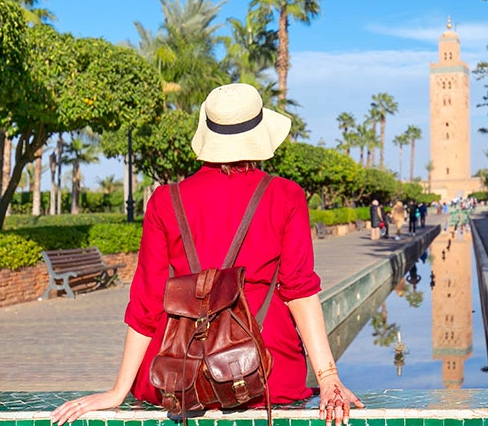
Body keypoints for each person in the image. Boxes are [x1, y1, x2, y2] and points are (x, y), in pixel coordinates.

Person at [50, 84, 362, 426]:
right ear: (259, 136)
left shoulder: (165, 201)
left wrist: (117, 390)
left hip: (182, 375)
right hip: (265, 373)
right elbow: (299, 290)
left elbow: (147, 302)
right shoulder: (285, 195)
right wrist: (328, 377)